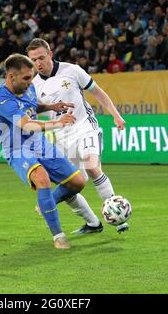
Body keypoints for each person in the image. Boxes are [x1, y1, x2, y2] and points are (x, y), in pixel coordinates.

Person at [26, 38, 128, 234]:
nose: (38, 63)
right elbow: (32, 111)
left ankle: (119, 217)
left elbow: (98, 93)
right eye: (33, 60)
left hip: (85, 127)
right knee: (70, 184)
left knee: (92, 166)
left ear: (50, 54)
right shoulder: (33, 85)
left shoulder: (72, 70)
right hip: (62, 137)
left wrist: (116, 115)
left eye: (41, 58)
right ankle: (92, 223)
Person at [0, 53, 88, 249]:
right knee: (41, 178)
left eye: (32, 76)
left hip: (39, 143)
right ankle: (58, 236)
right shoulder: (2, 101)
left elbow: (31, 105)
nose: (31, 81)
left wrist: (50, 106)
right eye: (26, 78)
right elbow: (26, 125)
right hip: (17, 149)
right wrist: (57, 123)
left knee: (78, 182)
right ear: (11, 77)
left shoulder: (28, 86)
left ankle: (46, 204)